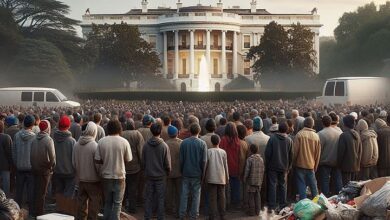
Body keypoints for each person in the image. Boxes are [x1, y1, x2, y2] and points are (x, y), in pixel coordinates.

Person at [95, 119, 132, 220]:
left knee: (107, 202)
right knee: (117, 204)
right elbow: (128, 159)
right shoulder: (124, 142)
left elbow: (97, 160)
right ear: (119, 128)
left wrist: (107, 160)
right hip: (120, 175)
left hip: (106, 176)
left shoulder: (102, 141)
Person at [73, 122, 102, 220]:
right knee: (94, 205)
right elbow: (98, 165)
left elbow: (74, 163)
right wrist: (100, 175)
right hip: (93, 181)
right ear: (93, 131)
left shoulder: (76, 145)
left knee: (81, 205)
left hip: (81, 180)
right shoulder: (95, 146)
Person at [142, 123, 171, 220]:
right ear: (160, 131)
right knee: (160, 199)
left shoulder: (146, 145)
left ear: (151, 131)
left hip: (149, 175)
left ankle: (147, 217)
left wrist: (145, 171)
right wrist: (167, 172)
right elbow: (167, 164)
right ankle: (160, 217)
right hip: (160, 177)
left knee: (149, 198)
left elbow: (143, 162)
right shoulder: (164, 146)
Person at [179, 123, 207, 220]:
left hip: (186, 172)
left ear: (190, 131)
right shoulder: (202, 144)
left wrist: (182, 170)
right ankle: (193, 215)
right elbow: (204, 161)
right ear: (199, 131)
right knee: (196, 196)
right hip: (197, 173)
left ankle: (182, 214)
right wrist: (203, 175)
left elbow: (181, 160)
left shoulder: (184, 143)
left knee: (184, 194)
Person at [264, 122, 293, 212]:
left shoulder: (272, 139)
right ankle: (282, 204)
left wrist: (267, 165)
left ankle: (272, 205)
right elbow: (291, 155)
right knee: (283, 185)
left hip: (272, 166)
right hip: (284, 167)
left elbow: (267, 153)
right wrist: (289, 167)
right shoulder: (289, 140)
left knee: (272, 185)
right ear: (287, 130)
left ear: (278, 129)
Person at [30, 120, 56, 217]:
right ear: (47, 128)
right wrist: (52, 167)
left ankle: (33, 211)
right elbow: (53, 157)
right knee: (42, 193)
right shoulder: (49, 140)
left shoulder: (34, 138)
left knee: (36, 190)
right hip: (45, 170)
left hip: (35, 168)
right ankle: (39, 214)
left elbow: (31, 155)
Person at [293, 117, 321, 200]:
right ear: (313, 125)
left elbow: (295, 152)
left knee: (301, 186)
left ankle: (304, 204)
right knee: (314, 186)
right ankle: (317, 204)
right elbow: (317, 154)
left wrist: (293, 164)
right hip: (311, 165)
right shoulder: (316, 136)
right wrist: (315, 166)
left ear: (304, 124)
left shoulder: (299, 134)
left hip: (300, 165)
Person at [13, 115, 36, 212]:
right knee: (31, 192)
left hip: (19, 167)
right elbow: (35, 154)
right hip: (31, 168)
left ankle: (16, 212)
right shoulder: (35, 137)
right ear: (32, 125)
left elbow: (13, 152)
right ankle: (31, 212)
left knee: (19, 192)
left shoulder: (17, 135)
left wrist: (17, 163)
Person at [121, 120, 144, 214]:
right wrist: (142, 164)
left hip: (123, 166)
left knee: (124, 188)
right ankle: (132, 208)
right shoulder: (137, 134)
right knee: (133, 188)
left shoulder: (121, 134)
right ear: (133, 125)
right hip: (135, 167)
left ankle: (122, 206)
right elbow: (140, 151)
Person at [317, 115, 343, 197]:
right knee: (338, 179)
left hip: (325, 161)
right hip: (336, 161)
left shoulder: (320, 134)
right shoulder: (339, 132)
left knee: (325, 180)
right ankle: (340, 196)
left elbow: (318, 149)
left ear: (322, 123)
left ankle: (326, 198)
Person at [205, 135, 228, 220]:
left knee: (212, 198)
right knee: (222, 197)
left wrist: (204, 176)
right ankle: (222, 215)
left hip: (211, 177)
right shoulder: (223, 152)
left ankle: (212, 216)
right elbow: (226, 166)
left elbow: (205, 165)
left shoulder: (208, 151)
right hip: (221, 177)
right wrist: (227, 177)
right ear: (219, 142)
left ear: (211, 142)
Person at [53, 115, 76, 197]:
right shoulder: (72, 141)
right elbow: (74, 158)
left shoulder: (53, 139)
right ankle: (65, 208)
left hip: (57, 170)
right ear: (69, 126)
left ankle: (59, 208)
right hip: (69, 172)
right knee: (69, 194)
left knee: (59, 192)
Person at [220, 122, 241, 209]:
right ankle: (236, 204)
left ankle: (226, 204)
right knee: (236, 187)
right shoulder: (238, 140)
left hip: (226, 167)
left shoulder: (223, 140)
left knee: (225, 188)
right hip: (235, 166)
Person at [337, 115, 362, 186]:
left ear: (344, 124)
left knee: (346, 187)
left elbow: (340, 153)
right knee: (353, 188)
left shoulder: (343, 136)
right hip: (355, 166)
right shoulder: (357, 134)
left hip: (346, 167)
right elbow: (360, 151)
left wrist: (338, 165)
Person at [165, 125, 182, 217]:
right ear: (177, 133)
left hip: (168, 172)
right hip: (179, 172)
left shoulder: (165, 143)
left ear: (168, 134)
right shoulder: (181, 143)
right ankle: (179, 209)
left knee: (169, 192)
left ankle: (169, 209)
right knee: (179, 192)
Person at [244, 144, 264, 216]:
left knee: (251, 196)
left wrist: (245, 178)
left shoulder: (249, 159)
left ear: (250, 150)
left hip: (251, 181)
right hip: (259, 181)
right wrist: (261, 180)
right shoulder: (261, 159)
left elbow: (247, 170)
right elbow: (262, 170)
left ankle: (252, 212)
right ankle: (257, 211)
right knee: (258, 196)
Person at [0, 121, 12, 196]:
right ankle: (5, 204)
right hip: (5, 166)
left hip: (5, 166)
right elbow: (10, 153)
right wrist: (11, 165)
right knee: (6, 187)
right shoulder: (6, 137)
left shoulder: (6, 137)